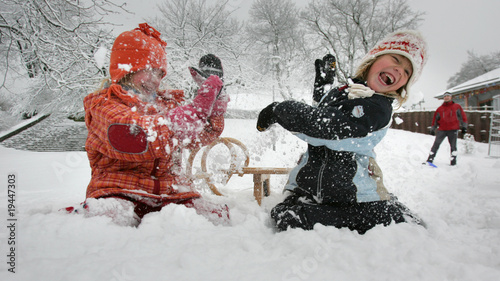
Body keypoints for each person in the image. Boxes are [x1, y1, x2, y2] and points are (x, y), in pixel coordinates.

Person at [256, 30, 427, 234]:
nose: (399, 70)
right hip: (312, 189)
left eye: (407, 72)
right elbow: (323, 114)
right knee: (285, 214)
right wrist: (323, 89)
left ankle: (392, 214)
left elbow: (326, 128)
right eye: (396, 59)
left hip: (355, 199)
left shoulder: (379, 107)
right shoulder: (346, 92)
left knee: (292, 220)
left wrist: (279, 110)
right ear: (373, 60)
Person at [66, 23, 229, 226]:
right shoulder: (104, 104)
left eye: (160, 74)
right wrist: (193, 112)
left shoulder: (166, 104)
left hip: (171, 194)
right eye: (149, 71)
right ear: (126, 69)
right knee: (111, 219)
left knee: (216, 217)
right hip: (120, 191)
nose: (155, 80)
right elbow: (140, 136)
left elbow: (197, 135)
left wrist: (215, 99)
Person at [425, 92, 467, 166]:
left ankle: (453, 162)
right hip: (442, 130)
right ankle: (430, 159)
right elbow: (435, 120)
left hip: (453, 130)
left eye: (448, 96)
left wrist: (464, 126)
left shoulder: (457, 107)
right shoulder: (440, 109)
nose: (446, 97)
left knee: (453, 146)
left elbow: (463, 117)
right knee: (436, 144)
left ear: (451, 97)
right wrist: (433, 128)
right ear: (443, 98)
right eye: (445, 96)